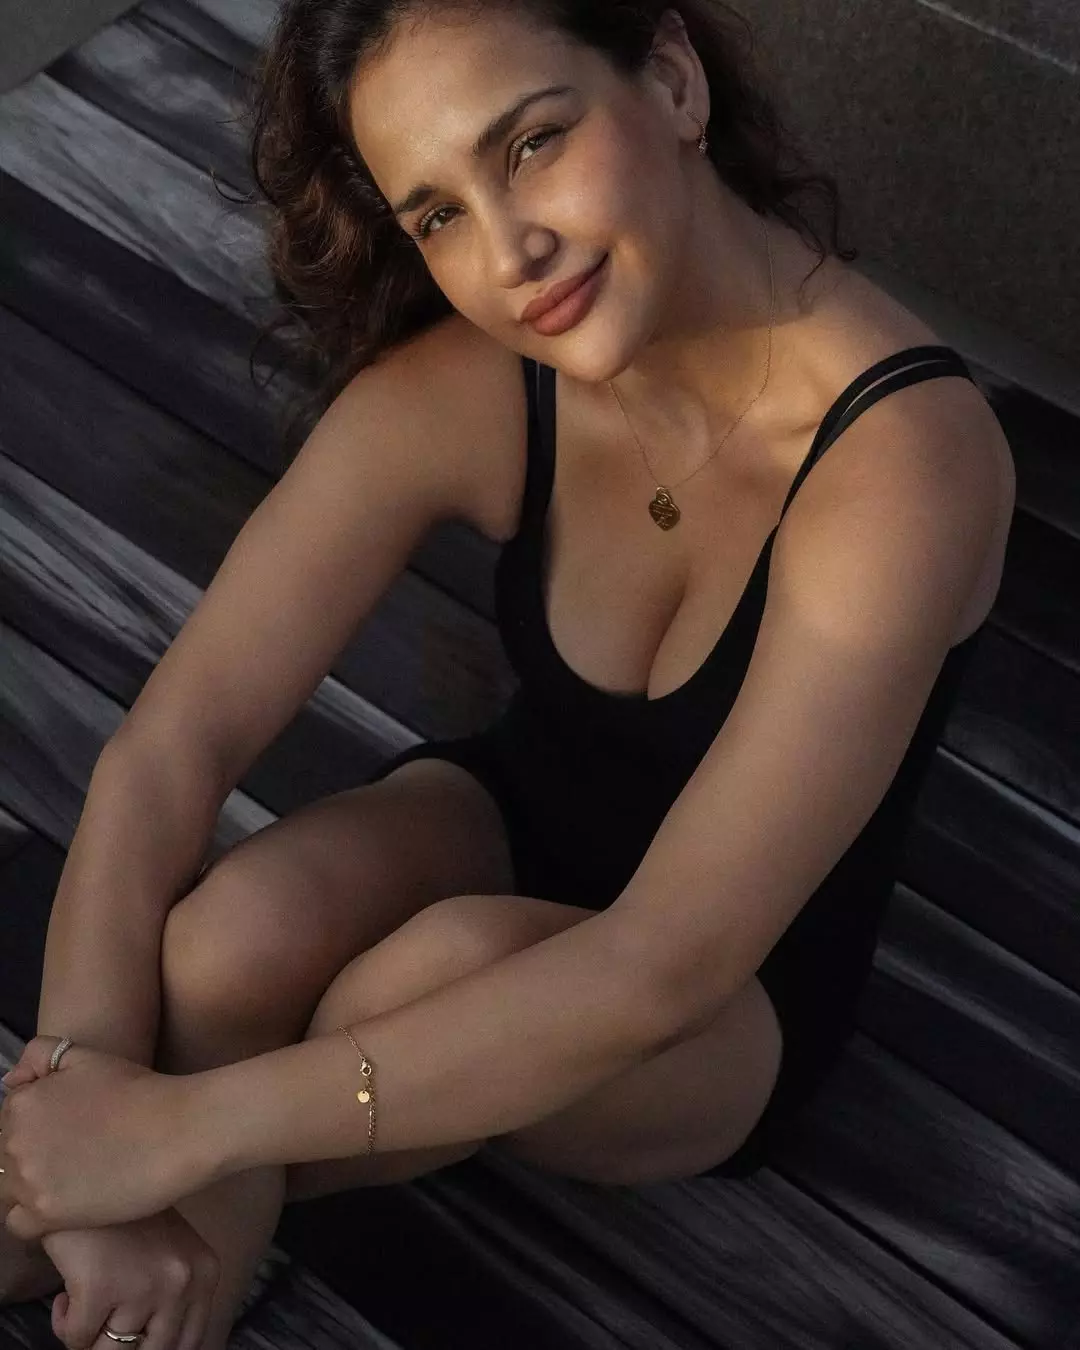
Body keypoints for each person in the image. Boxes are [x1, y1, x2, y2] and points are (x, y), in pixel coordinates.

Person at [0, 2, 1015, 1348]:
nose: (507, 251)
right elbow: (171, 748)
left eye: (533, 143)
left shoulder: (905, 464)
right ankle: (111, 1252)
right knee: (226, 937)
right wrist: (76, 1080)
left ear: (671, 81)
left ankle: (91, 1237)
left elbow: (661, 964)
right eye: (438, 214)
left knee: (431, 974)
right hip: (510, 817)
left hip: (724, 997)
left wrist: (177, 1130)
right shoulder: (489, 382)